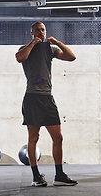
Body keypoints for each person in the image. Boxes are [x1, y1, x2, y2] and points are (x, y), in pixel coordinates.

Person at [15, 21, 77, 187]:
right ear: (32, 32)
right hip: (32, 98)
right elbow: (19, 58)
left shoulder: (50, 49)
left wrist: (57, 42)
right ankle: (36, 176)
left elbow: (71, 57)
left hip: (47, 98)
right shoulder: (24, 48)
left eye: (42, 30)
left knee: (58, 137)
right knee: (33, 138)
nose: (40, 32)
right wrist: (32, 43)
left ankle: (59, 174)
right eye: (37, 30)